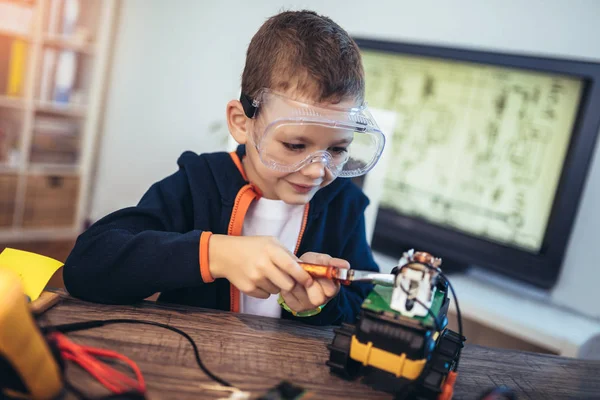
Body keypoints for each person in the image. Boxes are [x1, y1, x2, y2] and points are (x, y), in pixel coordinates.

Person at [63, 10, 385, 326]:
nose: (317, 171)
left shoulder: (343, 205)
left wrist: (323, 304)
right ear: (242, 123)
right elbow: (87, 265)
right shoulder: (198, 184)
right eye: (295, 146)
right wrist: (215, 255)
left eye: (337, 149)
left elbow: (367, 308)